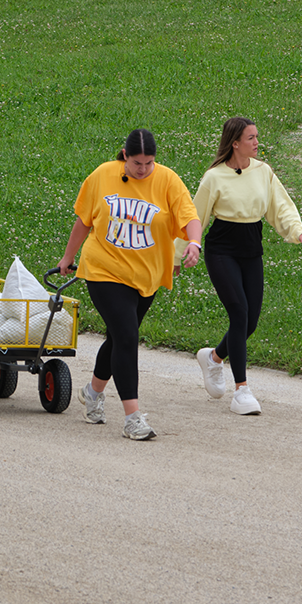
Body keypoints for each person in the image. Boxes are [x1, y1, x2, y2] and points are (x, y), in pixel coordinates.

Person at [56, 129, 202, 440]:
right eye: (137, 163)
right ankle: (133, 418)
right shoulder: (102, 175)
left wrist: (194, 243)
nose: (143, 169)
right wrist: (68, 258)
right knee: (126, 336)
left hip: (146, 276)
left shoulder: (167, 180)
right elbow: (84, 221)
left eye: (149, 163)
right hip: (103, 269)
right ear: (124, 154)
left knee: (117, 339)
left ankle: (92, 393)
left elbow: (190, 216)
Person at [184, 116, 302, 415]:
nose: (257, 142)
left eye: (257, 137)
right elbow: (195, 216)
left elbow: (281, 206)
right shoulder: (214, 177)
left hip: (251, 250)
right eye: (251, 138)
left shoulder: (263, 172)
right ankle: (242, 390)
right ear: (235, 143)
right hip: (222, 250)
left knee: (249, 321)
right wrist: (180, 254)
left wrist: (299, 232)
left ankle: (214, 358)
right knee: (239, 311)